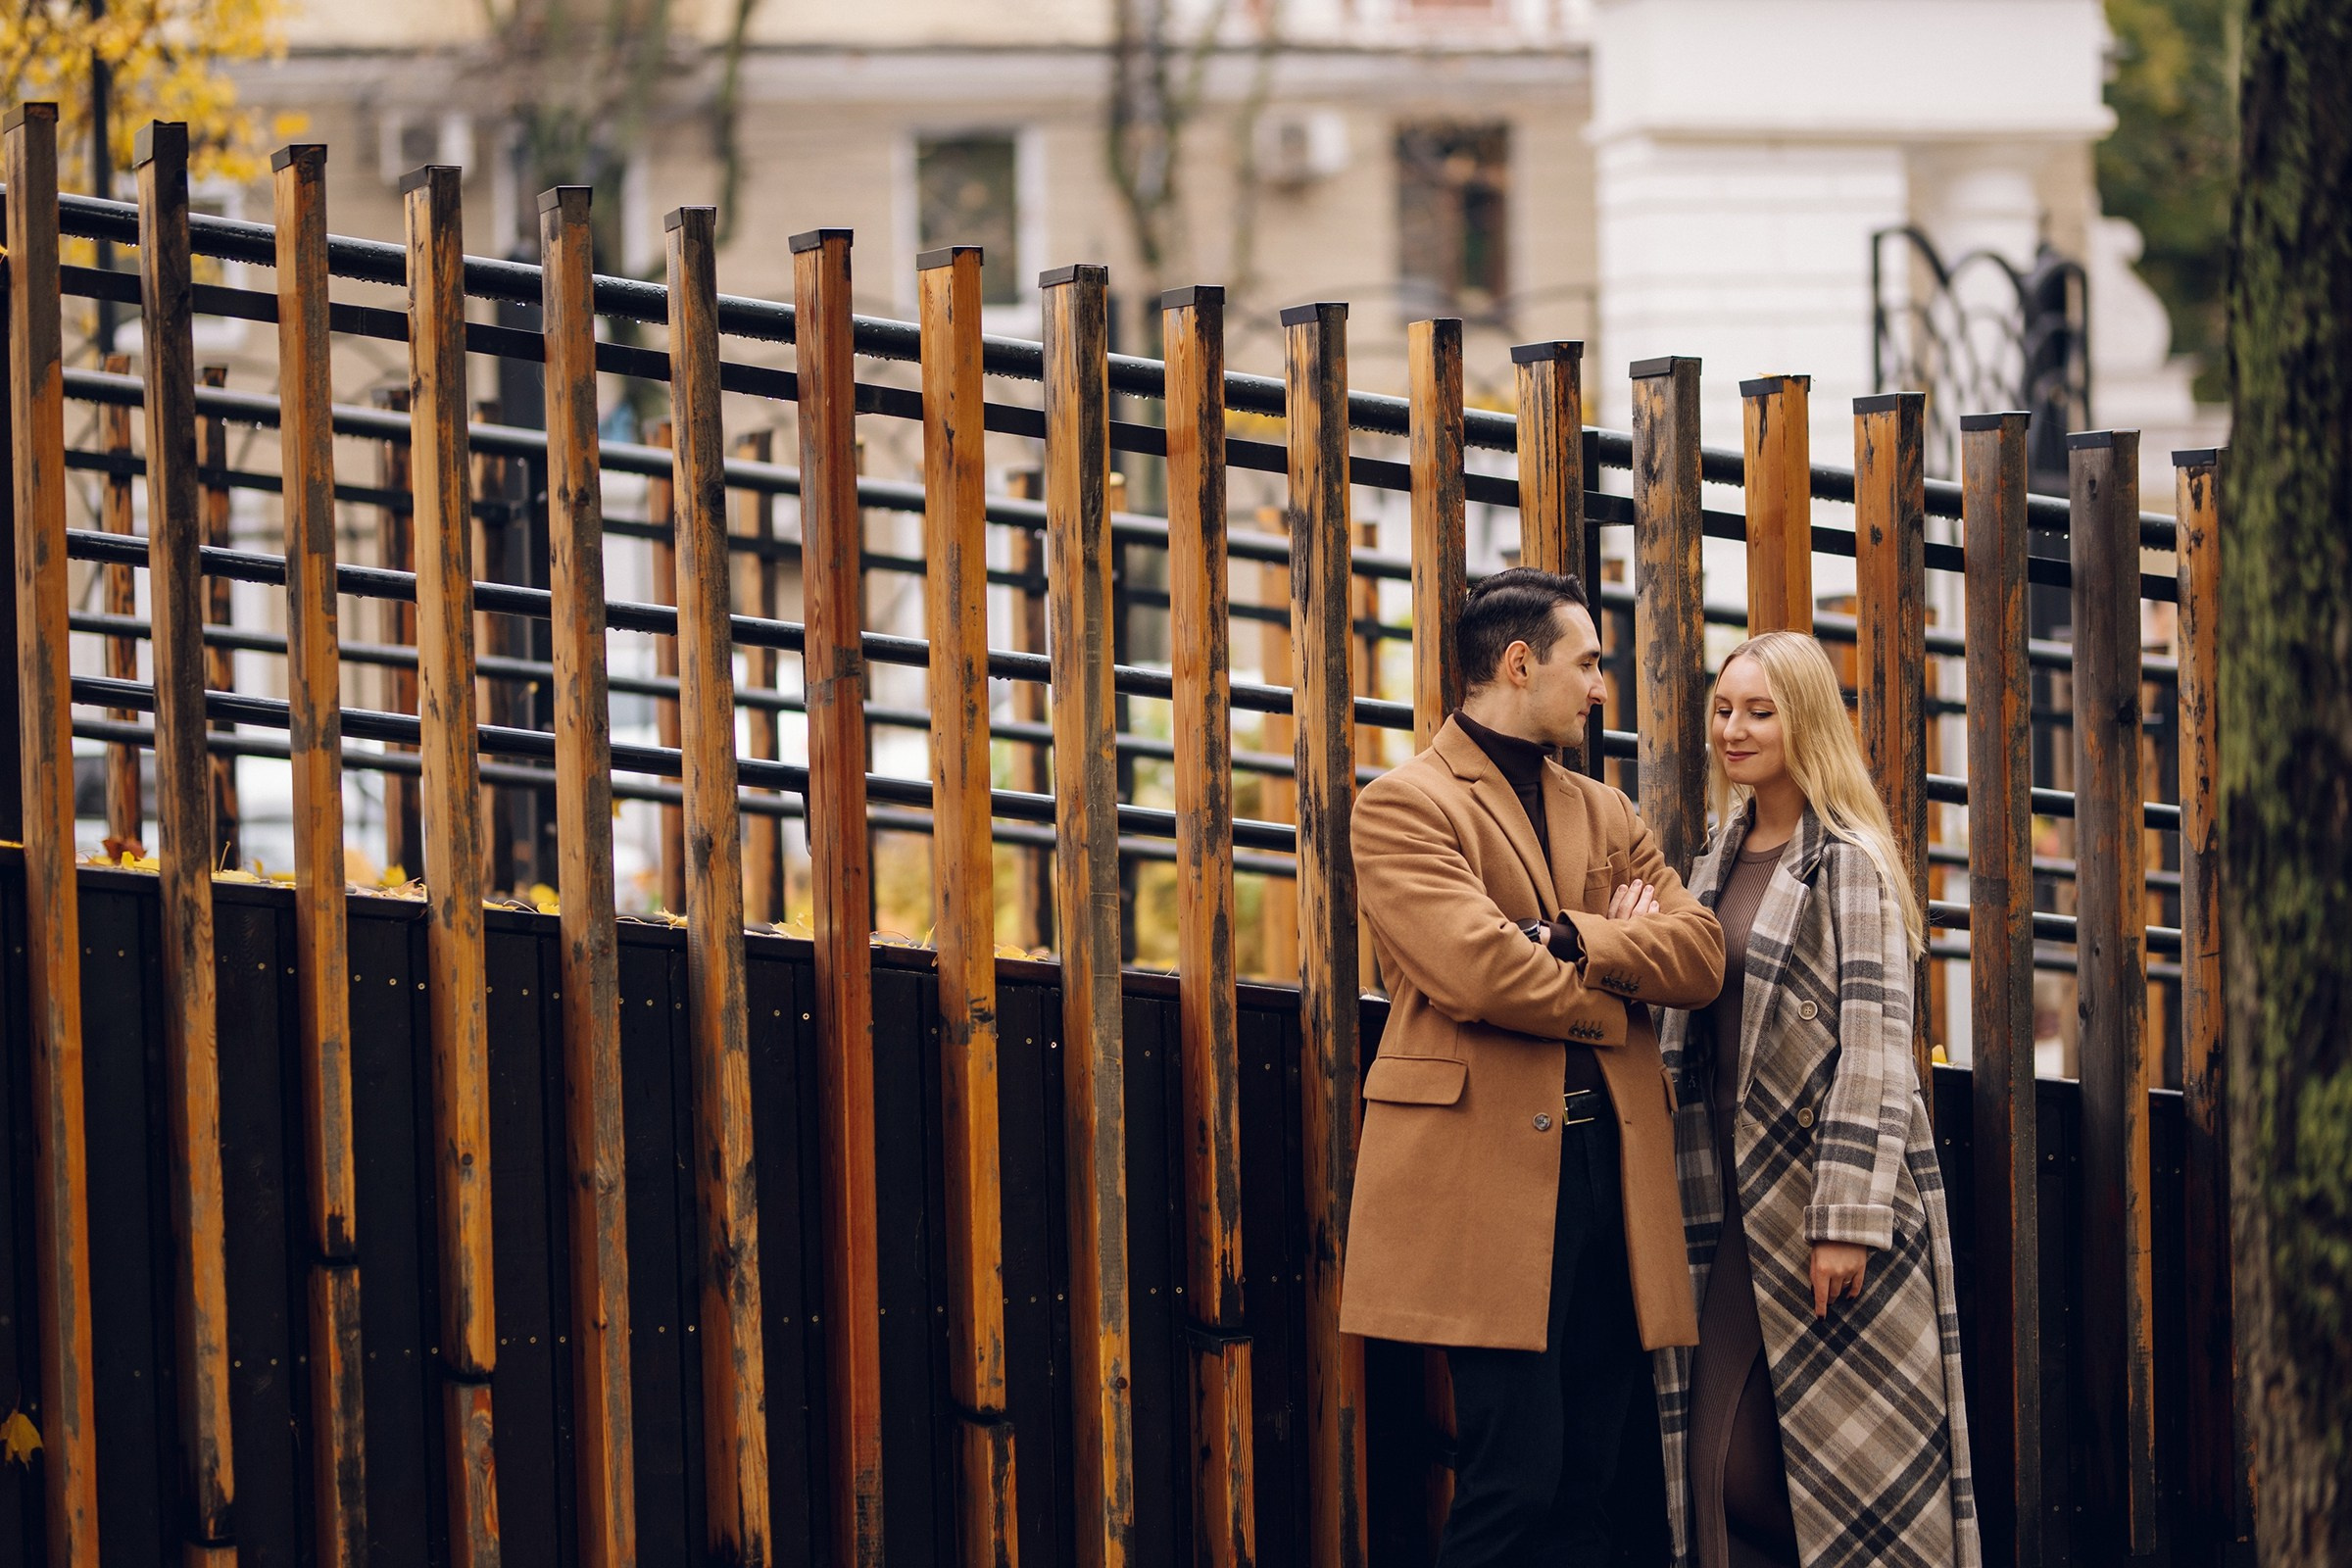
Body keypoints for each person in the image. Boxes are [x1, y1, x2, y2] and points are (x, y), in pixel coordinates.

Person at [1342, 567, 1726, 1567]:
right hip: (1487, 1181)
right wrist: (1617, 985)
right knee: (1518, 1475)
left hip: (1615, 1175)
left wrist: (1564, 936)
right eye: (1588, 662)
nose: (1602, 685)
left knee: (1600, 1477)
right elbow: (1480, 974)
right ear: (1519, 663)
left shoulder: (1602, 807)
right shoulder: (1402, 804)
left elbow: (1700, 955)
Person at [1654, 631, 1979, 1568]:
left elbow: (1878, 1051)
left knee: (1848, 1485)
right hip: (1720, 1203)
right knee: (1713, 1465)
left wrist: (1845, 1220)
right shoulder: (1712, 859)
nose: (1734, 729)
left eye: (1760, 711)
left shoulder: (1851, 862)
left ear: (1807, 723)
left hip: (1824, 1210)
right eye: (1724, 709)